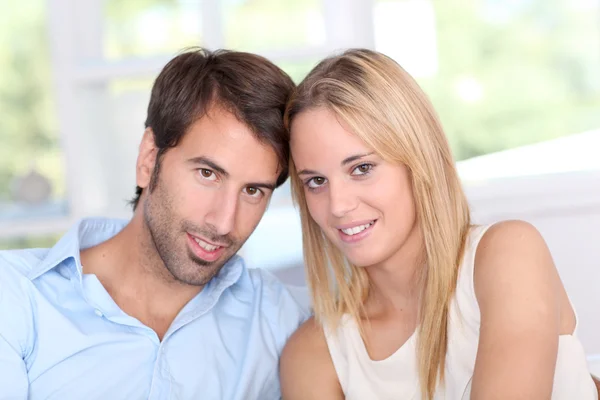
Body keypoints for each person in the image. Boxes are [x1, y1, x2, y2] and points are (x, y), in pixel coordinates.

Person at [280, 48, 598, 399]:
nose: (338, 205)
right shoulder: (314, 355)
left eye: (362, 168)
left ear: (419, 159)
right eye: (316, 181)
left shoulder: (507, 255)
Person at [0, 48, 309, 399]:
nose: (224, 222)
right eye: (207, 174)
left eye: (253, 190)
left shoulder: (283, 320)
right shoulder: (15, 299)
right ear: (149, 159)